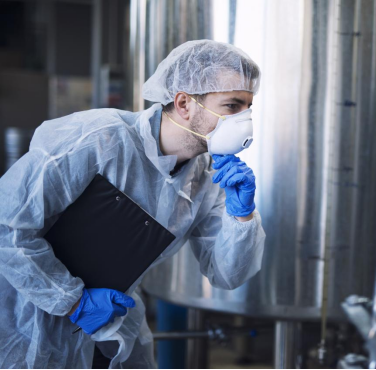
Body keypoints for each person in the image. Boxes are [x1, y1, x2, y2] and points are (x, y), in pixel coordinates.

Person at [0, 40, 266, 369]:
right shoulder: (98, 138)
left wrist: (242, 216)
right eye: (232, 106)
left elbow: (228, 275)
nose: (245, 122)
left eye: (248, 108)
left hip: (109, 324)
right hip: (20, 317)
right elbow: (7, 227)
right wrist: (72, 302)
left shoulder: (207, 182)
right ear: (184, 103)